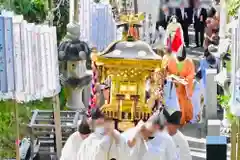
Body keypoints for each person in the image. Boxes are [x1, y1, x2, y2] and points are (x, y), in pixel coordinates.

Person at [167, 46, 195, 125]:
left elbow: (191, 74)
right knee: (174, 103)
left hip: (183, 88)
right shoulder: (171, 60)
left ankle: (182, 120)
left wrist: (185, 79)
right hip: (173, 87)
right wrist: (172, 77)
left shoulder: (189, 62)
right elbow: (167, 71)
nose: (180, 61)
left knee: (183, 104)